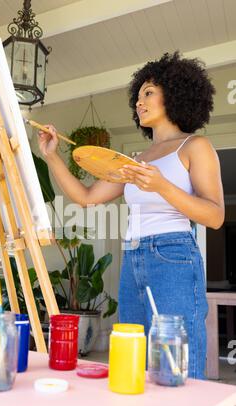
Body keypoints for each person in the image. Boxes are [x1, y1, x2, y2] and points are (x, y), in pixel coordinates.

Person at [37, 51, 224, 379]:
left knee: (176, 363)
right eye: (138, 97)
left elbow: (215, 216)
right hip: (133, 256)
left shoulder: (195, 146)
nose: (139, 102)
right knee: (133, 355)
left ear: (174, 94)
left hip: (173, 256)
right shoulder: (134, 160)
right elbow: (86, 197)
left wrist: (162, 185)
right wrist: (52, 157)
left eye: (148, 93)